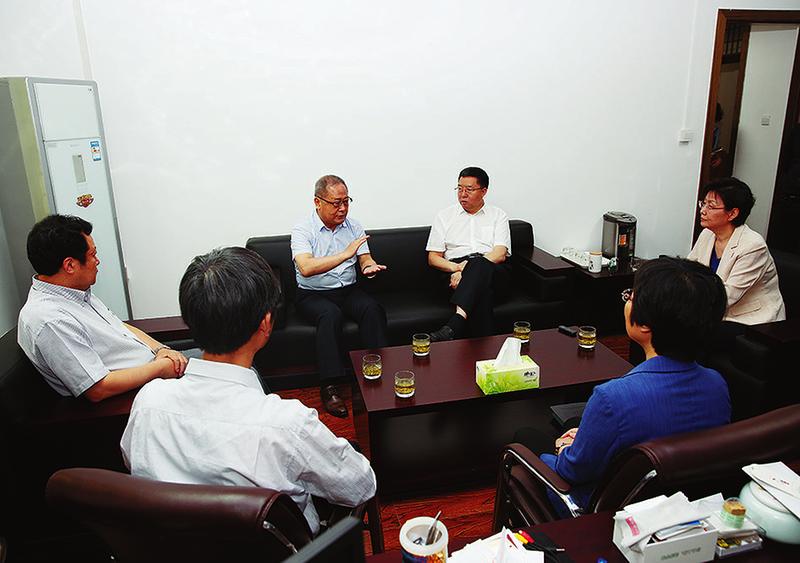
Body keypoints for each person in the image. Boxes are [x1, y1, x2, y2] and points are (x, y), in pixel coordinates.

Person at [121, 247, 376, 534]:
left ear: (190, 319)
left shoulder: (148, 401)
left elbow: (133, 462)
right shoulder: (289, 424)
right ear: (265, 324)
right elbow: (361, 485)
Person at [516, 257, 731, 517]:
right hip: (678, 505)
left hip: (605, 513)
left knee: (526, 436)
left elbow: (572, 472)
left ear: (645, 324)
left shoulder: (613, 398)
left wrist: (564, 449)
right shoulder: (717, 384)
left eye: (631, 296)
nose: (627, 301)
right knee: (573, 422)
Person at [17, 214, 187, 402]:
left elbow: (120, 327)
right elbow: (98, 389)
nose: (97, 261)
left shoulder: (74, 292)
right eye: (92, 255)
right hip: (144, 393)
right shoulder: (50, 320)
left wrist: (161, 350)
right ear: (70, 265)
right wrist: (161, 368)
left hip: (158, 367)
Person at [291, 174, 388, 417]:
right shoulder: (303, 229)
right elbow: (306, 267)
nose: (343, 208)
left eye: (346, 201)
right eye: (336, 203)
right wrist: (345, 254)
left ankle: (375, 374)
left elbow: (365, 258)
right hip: (312, 294)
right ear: (317, 202)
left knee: (372, 308)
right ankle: (330, 386)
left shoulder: (354, 226)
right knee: (330, 315)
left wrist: (369, 267)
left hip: (347, 290)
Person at [425, 166, 511, 341]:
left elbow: (500, 253)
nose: (462, 194)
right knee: (483, 294)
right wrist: (458, 268)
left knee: (479, 264)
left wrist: (467, 269)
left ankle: (456, 322)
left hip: (492, 269)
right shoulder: (444, 216)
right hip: (454, 270)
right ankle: (486, 354)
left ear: (484, 191)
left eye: (469, 189)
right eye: (459, 189)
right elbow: (433, 258)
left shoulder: (498, 215)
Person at [688, 177, 786, 329]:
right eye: (703, 203)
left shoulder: (753, 246)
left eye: (711, 206)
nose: (703, 210)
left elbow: (728, 296)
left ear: (732, 213)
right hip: (714, 310)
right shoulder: (708, 233)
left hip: (750, 320)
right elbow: (688, 270)